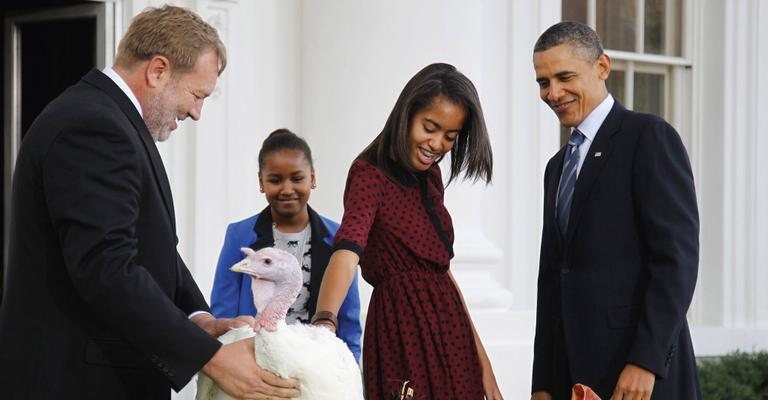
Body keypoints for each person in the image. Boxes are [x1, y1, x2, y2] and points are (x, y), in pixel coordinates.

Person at [0, 5, 299, 400]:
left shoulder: (108, 120)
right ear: (158, 71)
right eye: (197, 94)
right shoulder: (93, 126)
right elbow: (107, 267)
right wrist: (210, 358)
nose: (196, 112)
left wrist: (199, 317)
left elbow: (151, 249)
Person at [530, 21, 701, 400]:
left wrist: (647, 361)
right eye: (543, 82)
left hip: (640, 376)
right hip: (572, 379)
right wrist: (543, 382)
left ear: (602, 67)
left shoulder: (649, 137)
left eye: (564, 76)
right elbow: (552, 280)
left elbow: (676, 261)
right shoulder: (556, 168)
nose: (553, 93)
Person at [312, 63, 503, 399]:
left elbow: (442, 273)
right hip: (402, 333)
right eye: (430, 127)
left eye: (450, 136)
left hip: (453, 341)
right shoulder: (369, 174)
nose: (438, 144)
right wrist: (325, 320)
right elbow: (347, 250)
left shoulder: (431, 179)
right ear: (407, 113)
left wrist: (484, 366)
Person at [210, 128, 362, 361]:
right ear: (261, 182)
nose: (287, 189)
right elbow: (223, 313)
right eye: (275, 180)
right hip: (254, 363)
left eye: (297, 178)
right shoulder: (238, 235)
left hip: (315, 366)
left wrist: (350, 371)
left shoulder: (338, 238)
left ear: (313, 177)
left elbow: (349, 320)